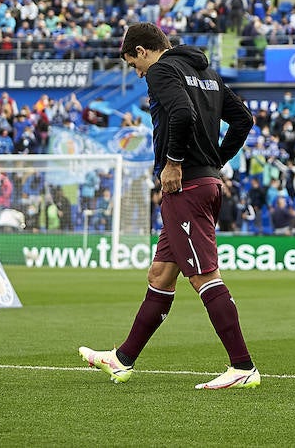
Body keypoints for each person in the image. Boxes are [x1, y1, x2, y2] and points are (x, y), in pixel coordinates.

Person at [79, 23, 260, 391]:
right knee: (160, 276)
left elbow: (180, 114)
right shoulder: (204, 71)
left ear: (143, 51)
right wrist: (216, 161)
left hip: (186, 186)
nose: (138, 72)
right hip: (205, 181)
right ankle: (122, 359)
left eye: (134, 64)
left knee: (203, 277)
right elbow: (244, 119)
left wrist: (175, 162)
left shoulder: (162, 70)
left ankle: (242, 366)